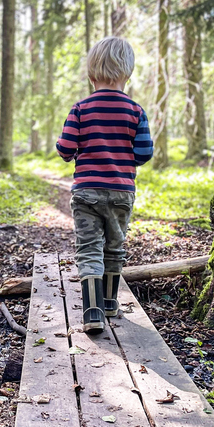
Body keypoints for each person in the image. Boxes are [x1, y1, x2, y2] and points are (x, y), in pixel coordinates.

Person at [56, 37, 154, 334]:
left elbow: (65, 148)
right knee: (114, 246)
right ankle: (111, 303)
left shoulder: (81, 109)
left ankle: (92, 311)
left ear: (91, 75)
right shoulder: (135, 111)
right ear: (128, 73)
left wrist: (77, 149)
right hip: (122, 192)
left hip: (86, 192)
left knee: (89, 249)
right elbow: (144, 153)